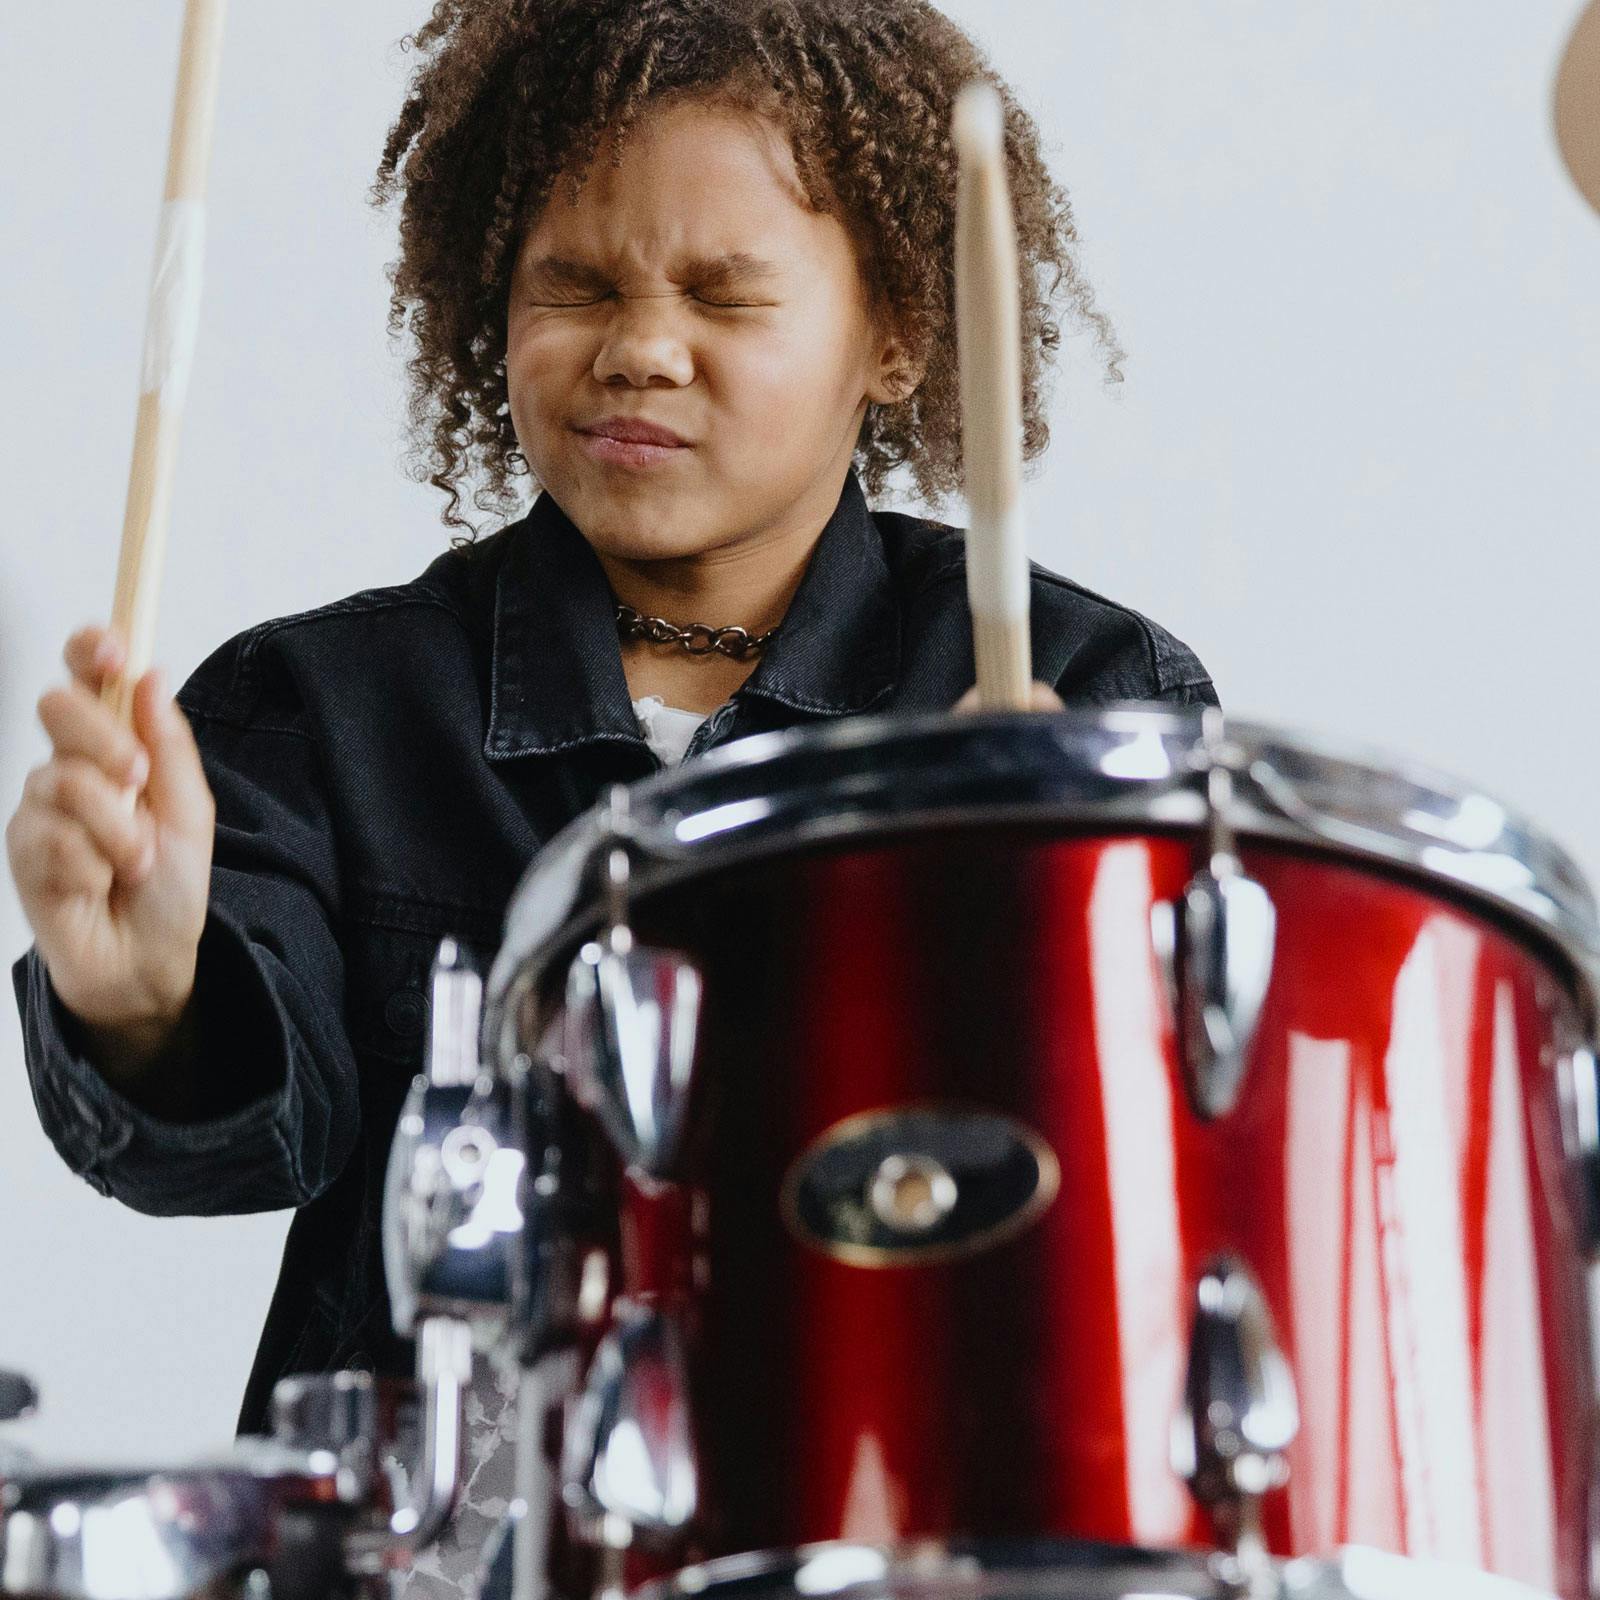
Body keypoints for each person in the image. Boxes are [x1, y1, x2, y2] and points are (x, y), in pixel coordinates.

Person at [6, 0, 1216, 1592]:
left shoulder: (1089, 688)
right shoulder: (327, 702)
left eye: (725, 292)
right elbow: (233, 1151)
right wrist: (150, 999)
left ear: (897, 331)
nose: (638, 343)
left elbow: (1156, 1204)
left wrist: (1054, 919)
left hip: (908, 1533)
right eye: (573, 283)